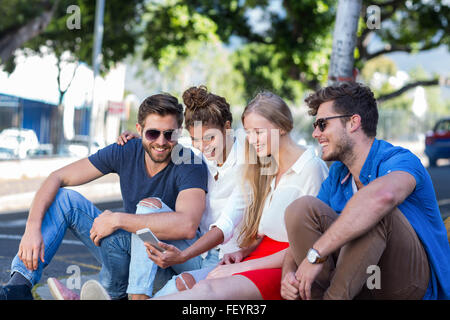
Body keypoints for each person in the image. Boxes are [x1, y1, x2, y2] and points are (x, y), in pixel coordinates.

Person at [0, 93, 208, 300]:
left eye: (169, 134)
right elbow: (57, 177)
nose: (161, 142)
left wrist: (117, 220)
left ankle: (110, 293)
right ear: (139, 130)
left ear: (179, 132)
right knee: (65, 199)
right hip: (128, 255)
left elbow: (187, 225)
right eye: (153, 134)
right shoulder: (126, 150)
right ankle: (18, 287)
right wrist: (31, 229)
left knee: (139, 221)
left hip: (167, 267)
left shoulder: (190, 163)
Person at [148, 91, 329, 300]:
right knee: (198, 289)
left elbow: (311, 244)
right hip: (257, 255)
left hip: (284, 266)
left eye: (258, 132)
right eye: (248, 133)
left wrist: (245, 265)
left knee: (207, 292)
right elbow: (244, 222)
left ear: (281, 127)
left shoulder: (311, 169)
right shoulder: (265, 168)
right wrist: (242, 254)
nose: (251, 140)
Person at [281, 82, 450, 300]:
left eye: (322, 124)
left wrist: (316, 254)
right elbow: (302, 233)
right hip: (362, 280)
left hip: (410, 284)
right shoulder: (338, 174)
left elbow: (382, 197)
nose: (315, 133)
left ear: (353, 122)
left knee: (374, 209)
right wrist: (289, 273)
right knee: (301, 209)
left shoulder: (400, 159)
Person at [117, 85, 248, 295]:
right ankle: (137, 294)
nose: (203, 146)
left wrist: (183, 256)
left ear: (227, 127)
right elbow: (168, 143)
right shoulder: (199, 154)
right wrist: (142, 137)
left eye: (210, 138)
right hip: (197, 248)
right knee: (148, 208)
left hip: (227, 256)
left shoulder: (247, 162)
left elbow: (225, 226)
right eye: (196, 139)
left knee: (181, 284)